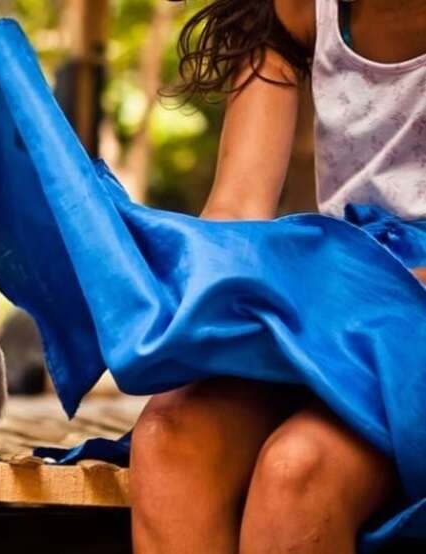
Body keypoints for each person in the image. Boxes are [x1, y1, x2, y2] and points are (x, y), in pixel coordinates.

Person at [130, 1, 426, 552]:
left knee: (297, 471)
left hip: (394, 306)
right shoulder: (296, 11)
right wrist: (188, 304)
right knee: (168, 438)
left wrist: (349, 297)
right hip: (340, 291)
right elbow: (237, 207)